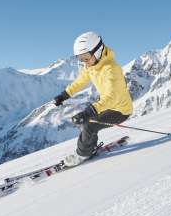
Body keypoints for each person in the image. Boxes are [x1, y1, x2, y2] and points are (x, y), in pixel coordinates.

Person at [53, 31, 133, 166]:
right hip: (108, 106)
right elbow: (80, 81)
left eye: (86, 57)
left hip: (120, 109)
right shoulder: (92, 65)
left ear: (98, 50)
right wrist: (64, 95)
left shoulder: (111, 69)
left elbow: (112, 97)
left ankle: (83, 154)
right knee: (89, 123)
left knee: (89, 125)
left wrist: (89, 112)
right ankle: (90, 148)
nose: (84, 61)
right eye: (80, 58)